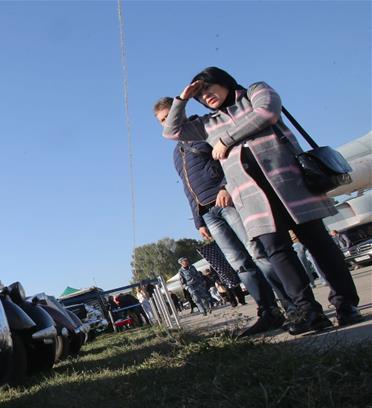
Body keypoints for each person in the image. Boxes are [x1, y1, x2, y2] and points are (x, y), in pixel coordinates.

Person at [163, 67, 362, 332]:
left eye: (209, 88)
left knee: (320, 245)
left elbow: (267, 111)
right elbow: (172, 132)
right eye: (200, 95)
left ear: (223, 81)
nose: (206, 96)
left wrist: (226, 140)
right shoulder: (207, 123)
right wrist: (182, 99)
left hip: (291, 185)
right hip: (253, 198)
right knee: (278, 253)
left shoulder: (255, 92)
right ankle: (309, 312)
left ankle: (346, 305)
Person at [154, 97, 288, 336]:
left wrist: (226, 186)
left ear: (180, 112)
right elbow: (188, 188)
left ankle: (291, 304)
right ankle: (267, 310)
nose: (167, 123)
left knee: (257, 251)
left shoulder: (204, 130)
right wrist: (198, 220)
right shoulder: (177, 152)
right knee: (239, 263)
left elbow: (230, 159)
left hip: (226, 200)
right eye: (162, 121)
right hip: (208, 213)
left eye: (169, 117)